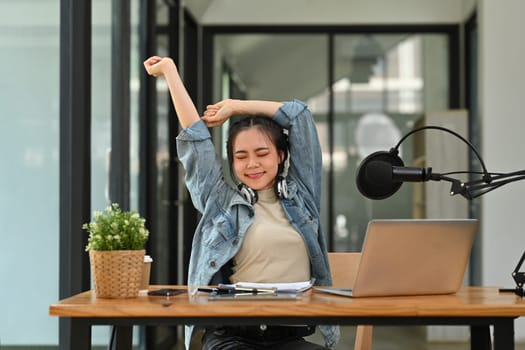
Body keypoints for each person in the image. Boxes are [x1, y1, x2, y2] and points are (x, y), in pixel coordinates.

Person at [143, 56, 339, 350]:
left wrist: (236, 106)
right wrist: (170, 71)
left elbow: (299, 117)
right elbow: (195, 140)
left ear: (281, 155)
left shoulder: (303, 196)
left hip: (289, 336)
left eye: (262, 153)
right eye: (241, 156)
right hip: (232, 336)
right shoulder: (220, 202)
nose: (252, 164)